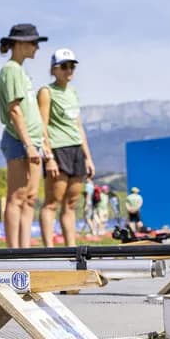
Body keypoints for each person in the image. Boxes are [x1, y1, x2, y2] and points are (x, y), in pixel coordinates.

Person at [0, 23, 49, 248]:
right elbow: (15, 110)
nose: (37, 47)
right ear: (19, 44)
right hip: (20, 140)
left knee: (30, 198)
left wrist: (41, 143)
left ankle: (25, 249)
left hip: (33, 141)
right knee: (16, 198)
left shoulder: (21, 71)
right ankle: (13, 251)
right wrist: (28, 144)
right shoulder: (11, 70)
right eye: (33, 42)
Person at [36, 48, 95, 247]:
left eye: (72, 66)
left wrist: (88, 157)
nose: (69, 70)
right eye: (64, 66)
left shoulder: (73, 93)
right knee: (52, 202)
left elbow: (78, 126)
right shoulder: (46, 92)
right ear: (54, 69)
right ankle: (48, 250)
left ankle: (71, 249)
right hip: (58, 149)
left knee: (71, 204)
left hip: (76, 149)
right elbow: (41, 124)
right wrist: (49, 156)